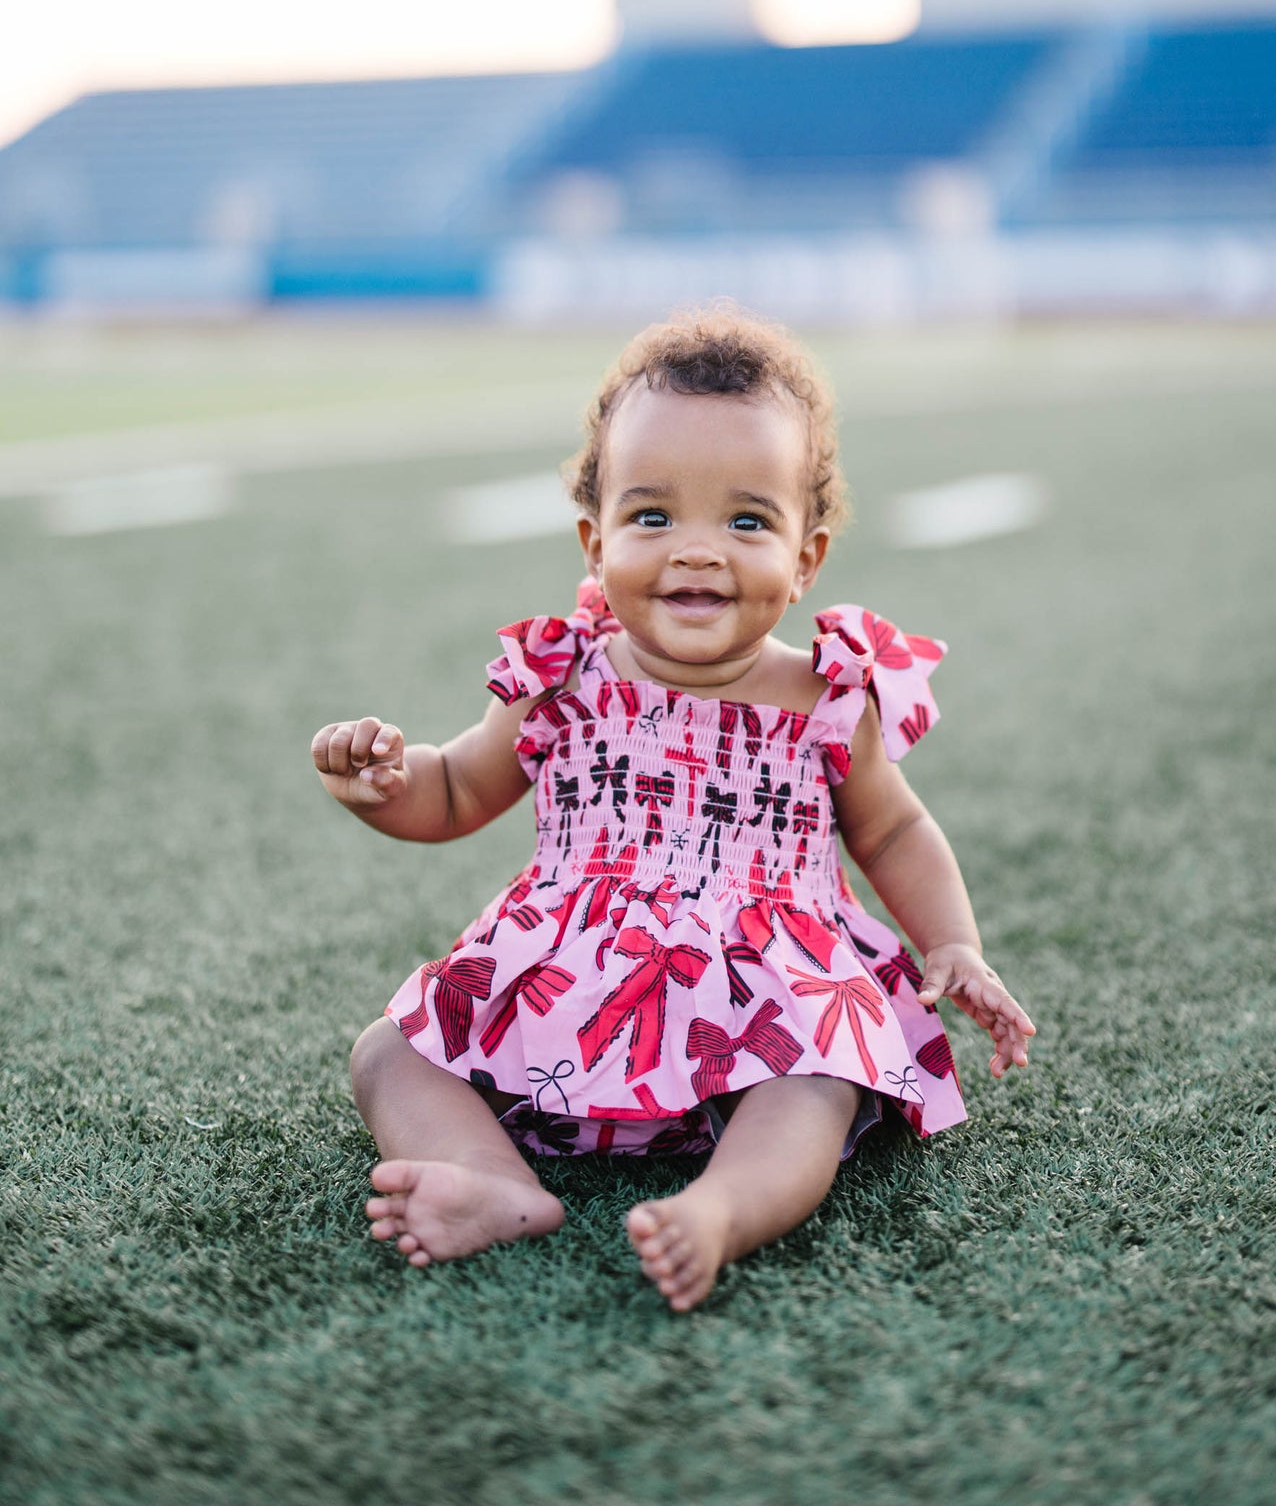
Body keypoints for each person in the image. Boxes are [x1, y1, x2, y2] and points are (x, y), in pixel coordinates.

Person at [313, 307, 1035, 1311]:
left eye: (745, 521)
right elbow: (455, 789)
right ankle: (492, 1181)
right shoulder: (554, 676)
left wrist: (951, 941)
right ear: (594, 537)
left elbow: (892, 827)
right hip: (565, 995)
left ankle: (722, 1207)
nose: (696, 551)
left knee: (815, 1079)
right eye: (652, 517)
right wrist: (385, 786)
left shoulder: (826, 693)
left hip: (765, 1003)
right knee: (389, 1050)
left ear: (806, 558)